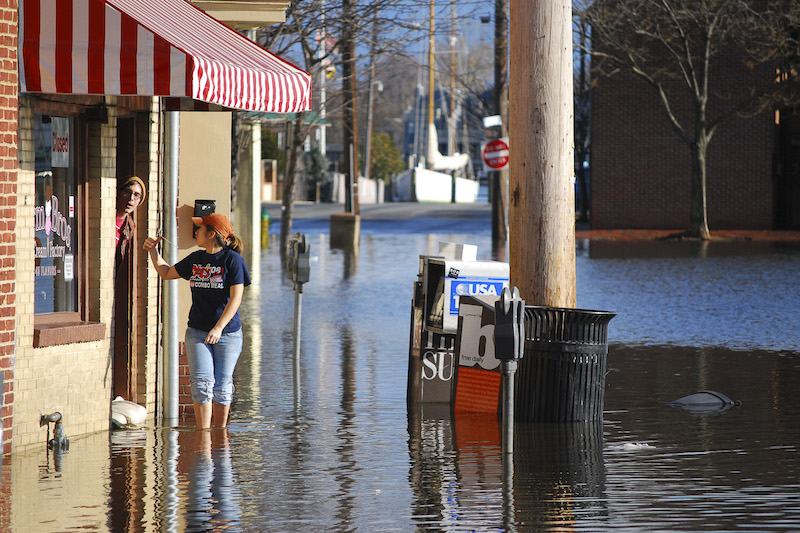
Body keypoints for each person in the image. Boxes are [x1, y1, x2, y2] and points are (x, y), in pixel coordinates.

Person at [144, 213, 251, 429]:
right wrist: (153, 251)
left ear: (212, 234)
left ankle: (220, 435)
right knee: (202, 385)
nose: (196, 232)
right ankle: (204, 437)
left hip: (228, 334)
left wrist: (219, 328)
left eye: (200, 229)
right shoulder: (196, 259)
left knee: (222, 386)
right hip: (197, 332)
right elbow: (166, 272)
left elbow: (236, 298)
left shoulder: (233, 260)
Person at [114, 176, 146, 400]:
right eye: (128, 192)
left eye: (137, 196)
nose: (130, 199)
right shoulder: (105, 217)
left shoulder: (129, 226)